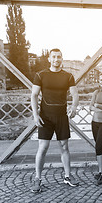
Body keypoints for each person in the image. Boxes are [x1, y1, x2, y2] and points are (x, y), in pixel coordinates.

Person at [31, 48, 79, 193]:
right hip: (45, 116)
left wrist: (74, 107)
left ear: (61, 59)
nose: (56, 59)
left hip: (61, 116)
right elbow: (34, 95)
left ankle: (67, 176)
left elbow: (75, 94)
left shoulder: (68, 76)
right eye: (53, 57)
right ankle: (38, 179)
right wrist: (35, 114)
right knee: (43, 148)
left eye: (59, 57)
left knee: (64, 147)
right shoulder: (41, 75)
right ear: (49, 59)